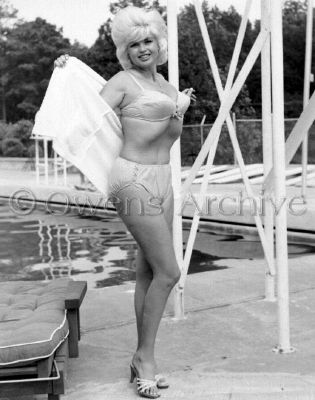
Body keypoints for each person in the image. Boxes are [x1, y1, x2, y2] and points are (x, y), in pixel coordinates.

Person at [54, 5, 195, 399]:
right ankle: (145, 359)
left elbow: (166, 127)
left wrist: (178, 103)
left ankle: (140, 360)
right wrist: (68, 72)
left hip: (164, 180)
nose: (143, 49)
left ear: (158, 41)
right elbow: (84, 113)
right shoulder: (122, 82)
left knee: (148, 272)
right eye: (134, 45)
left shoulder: (167, 86)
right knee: (170, 272)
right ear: (125, 50)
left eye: (148, 40)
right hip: (132, 179)